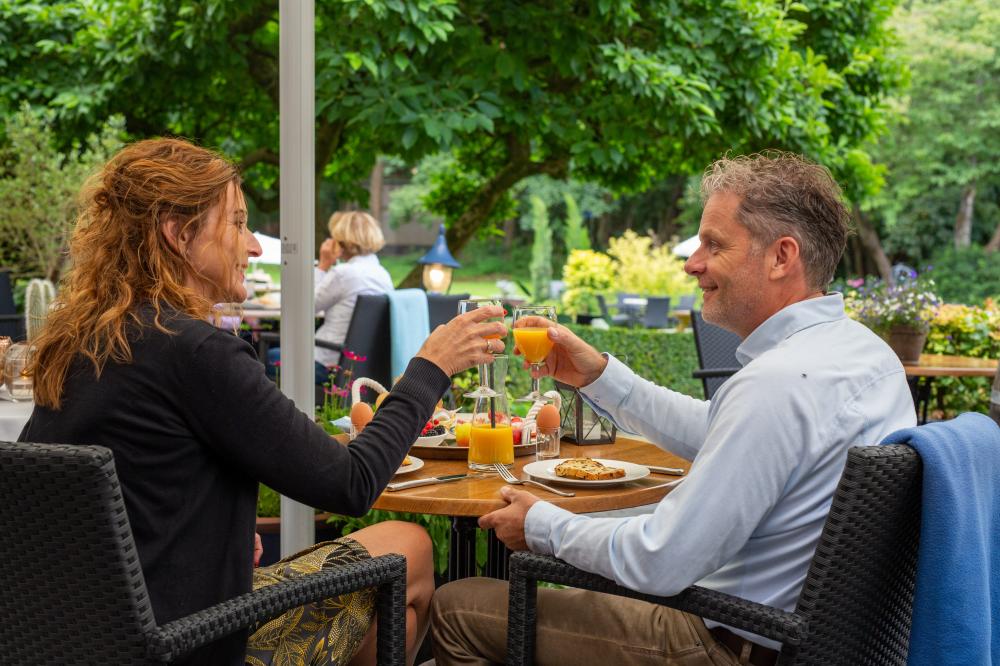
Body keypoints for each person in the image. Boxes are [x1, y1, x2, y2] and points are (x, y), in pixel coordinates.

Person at [18, 138, 507, 666]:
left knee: (396, 616)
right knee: (409, 545)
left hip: (86, 635)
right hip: (189, 640)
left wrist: (218, 534)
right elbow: (351, 483)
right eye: (237, 223)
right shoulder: (196, 350)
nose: (253, 246)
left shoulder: (81, 340)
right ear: (180, 235)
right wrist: (428, 370)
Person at [430, 152, 917, 666]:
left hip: (725, 643)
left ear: (781, 257)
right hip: (816, 641)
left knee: (458, 607)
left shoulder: (777, 385)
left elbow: (661, 560)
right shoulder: (865, 355)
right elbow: (717, 431)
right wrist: (599, 375)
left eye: (714, 244)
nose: (692, 263)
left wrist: (543, 527)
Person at [265, 210, 394, 385]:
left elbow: (304, 308)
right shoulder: (383, 275)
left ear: (343, 241)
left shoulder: (344, 273)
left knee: (270, 355)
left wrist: (323, 264)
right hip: (360, 364)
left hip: (327, 362)